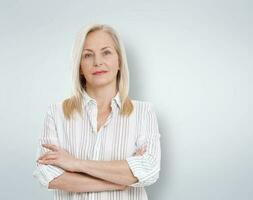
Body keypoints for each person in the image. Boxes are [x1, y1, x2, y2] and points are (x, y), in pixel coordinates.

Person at [32, 23, 161, 200]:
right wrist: (122, 180)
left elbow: (148, 171)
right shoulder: (56, 114)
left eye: (106, 52)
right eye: (88, 55)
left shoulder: (143, 113)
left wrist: (75, 164)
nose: (98, 62)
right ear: (80, 67)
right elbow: (48, 175)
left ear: (119, 61)